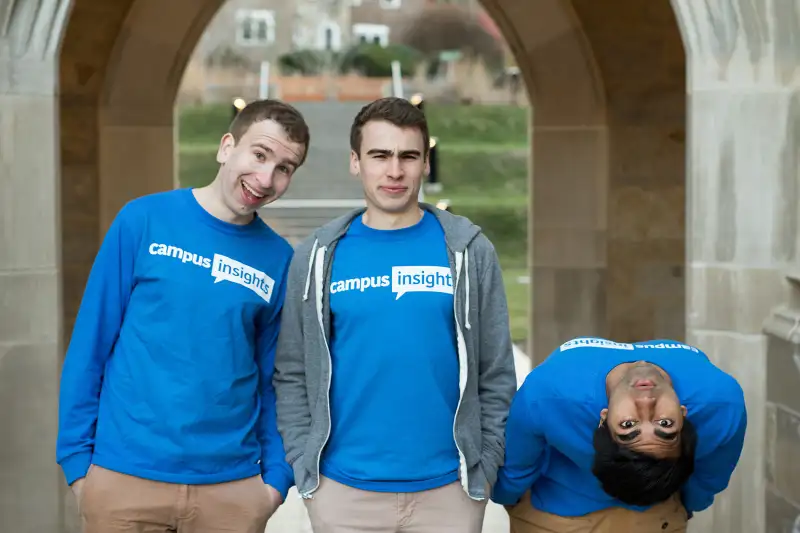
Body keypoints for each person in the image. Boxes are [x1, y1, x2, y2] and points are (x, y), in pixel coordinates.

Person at [55, 99, 310, 533]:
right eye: (260, 154)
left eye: (285, 168)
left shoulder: (279, 259)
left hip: (230, 490)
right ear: (227, 147)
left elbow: (276, 380)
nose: (266, 179)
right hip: (124, 480)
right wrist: (79, 465)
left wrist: (273, 483)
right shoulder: (143, 220)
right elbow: (90, 346)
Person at [273, 96, 517, 533]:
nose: (394, 171)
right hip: (343, 492)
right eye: (379, 155)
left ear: (426, 162)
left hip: (449, 492)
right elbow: (293, 370)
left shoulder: (468, 249)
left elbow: (496, 372)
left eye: (409, 156)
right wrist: (303, 465)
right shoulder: (317, 255)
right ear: (355, 161)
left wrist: (487, 462)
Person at [492, 337, 748, 533]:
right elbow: (705, 483)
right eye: (665, 423)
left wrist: (508, 500)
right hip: (648, 516)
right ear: (683, 414)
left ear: (603, 419)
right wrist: (685, 506)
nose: (646, 403)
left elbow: (515, 471)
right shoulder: (721, 402)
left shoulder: (549, 392)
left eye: (628, 426)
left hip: (554, 517)